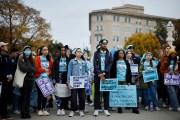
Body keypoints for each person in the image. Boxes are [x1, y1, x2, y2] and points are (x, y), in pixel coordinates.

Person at [67, 48, 89, 117]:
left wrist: (87, 79)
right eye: (78, 52)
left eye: (80, 52)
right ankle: (72, 110)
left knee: (82, 97)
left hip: (82, 82)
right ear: (75, 53)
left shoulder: (84, 62)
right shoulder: (72, 61)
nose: (79, 53)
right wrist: (68, 82)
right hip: (74, 82)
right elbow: (69, 72)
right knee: (73, 97)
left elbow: (87, 71)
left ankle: (81, 110)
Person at [93, 39, 113, 116]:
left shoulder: (109, 53)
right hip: (98, 75)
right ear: (100, 44)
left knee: (106, 93)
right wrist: (99, 74)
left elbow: (110, 63)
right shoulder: (96, 53)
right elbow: (95, 64)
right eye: (104, 44)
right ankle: (96, 109)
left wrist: (104, 73)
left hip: (106, 75)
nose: (105, 45)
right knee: (97, 92)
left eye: (106, 44)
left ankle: (106, 109)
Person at [34, 46, 53, 116]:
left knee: (46, 94)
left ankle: (44, 109)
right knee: (40, 94)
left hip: (46, 78)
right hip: (39, 78)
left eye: (47, 50)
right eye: (44, 50)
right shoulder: (37, 58)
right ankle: (39, 109)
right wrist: (44, 70)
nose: (46, 51)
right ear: (41, 51)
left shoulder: (49, 59)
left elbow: (51, 69)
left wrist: (49, 72)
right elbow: (36, 68)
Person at [18, 46, 36, 119]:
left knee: (28, 97)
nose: (28, 51)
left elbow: (34, 70)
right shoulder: (21, 59)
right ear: (24, 51)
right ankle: (23, 113)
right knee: (23, 97)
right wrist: (29, 67)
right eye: (26, 50)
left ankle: (27, 112)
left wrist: (28, 67)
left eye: (29, 50)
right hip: (24, 80)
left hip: (31, 80)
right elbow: (23, 69)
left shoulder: (32, 60)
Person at [52, 46, 69, 116]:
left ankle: (63, 108)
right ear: (60, 51)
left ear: (66, 51)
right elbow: (53, 69)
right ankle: (59, 108)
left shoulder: (68, 59)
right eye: (61, 50)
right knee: (58, 92)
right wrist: (54, 78)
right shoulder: (56, 59)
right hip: (58, 76)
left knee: (65, 92)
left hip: (66, 76)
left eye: (64, 50)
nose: (63, 52)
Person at [0, 42, 13, 119]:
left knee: (5, 97)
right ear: (1, 47)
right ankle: (1, 114)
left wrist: (10, 75)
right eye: (5, 46)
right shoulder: (0, 57)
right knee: (1, 97)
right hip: (1, 80)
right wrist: (6, 75)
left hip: (8, 80)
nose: (7, 46)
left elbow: (11, 67)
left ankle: (5, 113)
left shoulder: (8, 57)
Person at [10, 48, 21, 115]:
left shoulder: (18, 60)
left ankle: (16, 108)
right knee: (15, 94)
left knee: (17, 94)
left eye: (18, 53)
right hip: (10, 79)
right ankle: (14, 108)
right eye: (16, 53)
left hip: (17, 79)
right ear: (12, 52)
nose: (17, 54)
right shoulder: (9, 59)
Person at [160, 43, 171, 107]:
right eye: (167, 48)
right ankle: (164, 101)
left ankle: (169, 102)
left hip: (171, 75)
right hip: (164, 75)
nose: (168, 49)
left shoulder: (172, 56)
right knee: (164, 89)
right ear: (165, 49)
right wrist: (164, 74)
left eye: (169, 48)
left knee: (170, 89)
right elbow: (161, 67)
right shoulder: (163, 56)